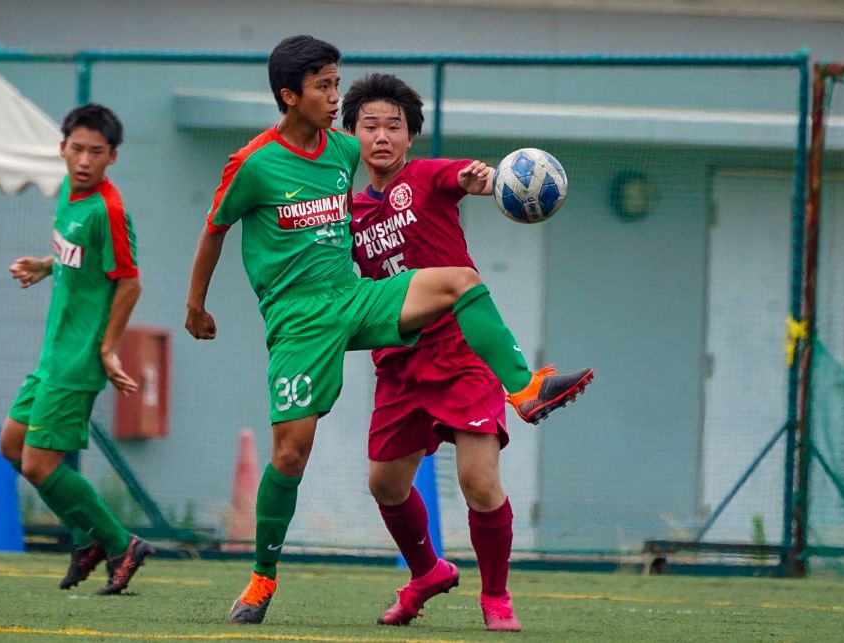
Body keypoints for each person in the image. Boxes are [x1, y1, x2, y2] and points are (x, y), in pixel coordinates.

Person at [185, 35, 592, 626]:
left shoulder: (369, 159)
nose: (337, 101)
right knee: (295, 455)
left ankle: (525, 389)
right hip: (301, 320)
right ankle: (261, 579)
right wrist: (195, 307)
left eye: (336, 84)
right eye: (325, 88)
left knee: (459, 281)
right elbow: (215, 229)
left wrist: (485, 179)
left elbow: (434, 173)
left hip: (360, 302)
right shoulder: (257, 164)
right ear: (288, 95)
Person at [341, 73, 590, 632]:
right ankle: (427, 571)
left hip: (461, 352)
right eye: (369, 125)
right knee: (384, 483)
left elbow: (466, 176)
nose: (381, 136)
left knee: (479, 481)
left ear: (411, 137)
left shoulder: (427, 176)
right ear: (350, 135)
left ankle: (496, 597)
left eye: (394, 126)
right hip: (399, 363)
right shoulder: (348, 214)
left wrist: (486, 178)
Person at [0, 103, 152, 595]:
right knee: (12, 445)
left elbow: (130, 284)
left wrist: (108, 350)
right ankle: (90, 538)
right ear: (62, 148)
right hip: (53, 352)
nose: (84, 160)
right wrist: (46, 265)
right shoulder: (69, 191)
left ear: (113, 157)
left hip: (79, 357)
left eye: (96, 152)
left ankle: (118, 543)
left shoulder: (108, 210)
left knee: (39, 464)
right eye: (77, 149)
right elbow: (78, 258)